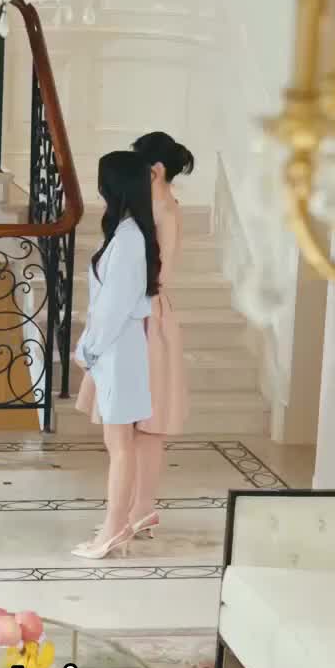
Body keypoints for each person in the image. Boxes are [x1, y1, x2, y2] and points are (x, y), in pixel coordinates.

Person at [72, 149, 161, 560]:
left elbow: (113, 306)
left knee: (120, 443)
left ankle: (114, 528)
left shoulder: (128, 238)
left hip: (118, 348)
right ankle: (117, 523)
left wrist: (88, 348)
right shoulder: (127, 233)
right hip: (117, 347)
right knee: (119, 441)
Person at [128, 131, 192, 537]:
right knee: (137, 427)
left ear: (155, 168)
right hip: (146, 313)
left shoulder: (163, 208)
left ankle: (142, 508)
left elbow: (158, 273)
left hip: (149, 315)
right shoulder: (158, 206)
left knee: (147, 426)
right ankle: (135, 508)